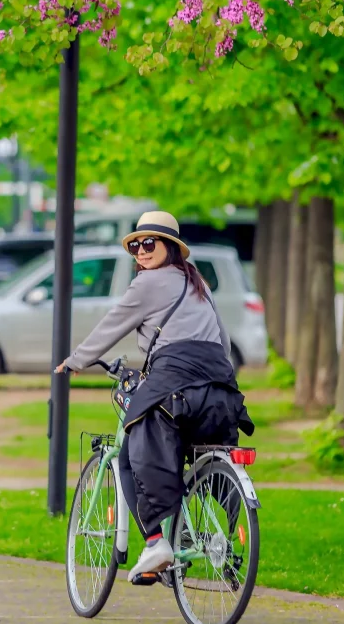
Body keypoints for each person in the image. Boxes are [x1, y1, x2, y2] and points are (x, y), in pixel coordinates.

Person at [54, 211, 254, 583]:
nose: (141, 252)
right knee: (183, 451)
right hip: (220, 388)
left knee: (131, 453)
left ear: (171, 249)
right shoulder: (198, 284)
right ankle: (196, 541)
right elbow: (223, 342)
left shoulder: (148, 284)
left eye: (149, 243)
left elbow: (112, 324)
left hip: (175, 382)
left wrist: (76, 360)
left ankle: (155, 541)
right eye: (135, 245)